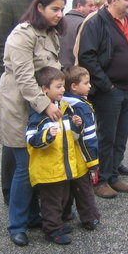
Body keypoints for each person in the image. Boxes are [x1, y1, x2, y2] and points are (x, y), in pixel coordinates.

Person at [0, 0, 65, 247]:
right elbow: (24, 77)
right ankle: (17, 224)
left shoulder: (50, 33)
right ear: (39, 8)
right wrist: (46, 105)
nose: (59, 14)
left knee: (37, 164)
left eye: (61, 9)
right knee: (24, 167)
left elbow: (53, 71)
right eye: (54, 9)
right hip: (19, 108)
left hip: (40, 107)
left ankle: (33, 216)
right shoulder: (22, 34)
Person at [0, 0, 53, 205]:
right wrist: (9, 81)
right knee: (14, 143)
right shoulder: (9, 3)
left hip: (44, 87)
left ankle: (35, 194)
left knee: (39, 139)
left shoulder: (48, 5)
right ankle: (11, 195)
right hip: (17, 87)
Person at [76, 0, 128, 199]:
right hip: (108, 91)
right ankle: (100, 180)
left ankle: (113, 176)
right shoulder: (97, 22)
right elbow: (87, 56)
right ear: (113, 0)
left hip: (126, 89)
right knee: (106, 136)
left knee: (120, 135)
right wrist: (107, 85)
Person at [26, 66, 100, 244]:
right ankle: (52, 230)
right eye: (58, 87)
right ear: (45, 90)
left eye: (63, 86)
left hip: (63, 165)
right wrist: (47, 136)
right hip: (49, 169)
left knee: (63, 197)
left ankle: (58, 224)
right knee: (51, 201)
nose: (63, 90)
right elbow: (30, 138)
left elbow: (71, 135)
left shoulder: (66, 108)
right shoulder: (39, 114)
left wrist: (76, 125)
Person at [62, 65, 101, 230]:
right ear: (74, 86)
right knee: (84, 189)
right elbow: (88, 135)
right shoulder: (81, 106)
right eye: (86, 83)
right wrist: (93, 161)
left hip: (66, 154)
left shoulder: (63, 102)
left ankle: (64, 213)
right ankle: (90, 218)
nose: (90, 85)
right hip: (81, 156)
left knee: (66, 187)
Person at [59, 0, 95, 67]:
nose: (93, 9)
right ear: (79, 6)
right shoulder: (85, 24)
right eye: (90, 6)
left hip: (58, 70)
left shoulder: (59, 21)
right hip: (75, 72)